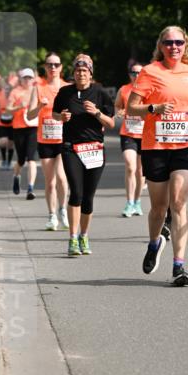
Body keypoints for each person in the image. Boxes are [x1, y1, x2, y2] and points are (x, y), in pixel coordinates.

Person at [127, 26, 188, 286]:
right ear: (161, 45)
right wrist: (154, 108)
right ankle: (154, 242)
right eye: (169, 42)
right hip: (156, 147)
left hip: (187, 144)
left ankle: (179, 267)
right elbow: (131, 108)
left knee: (178, 202)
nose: (174, 47)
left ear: (186, 45)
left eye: (179, 42)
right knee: (159, 208)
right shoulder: (149, 72)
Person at [52, 54, 115, 256]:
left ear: (90, 73)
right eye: (78, 70)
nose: (81, 73)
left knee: (88, 197)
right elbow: (54, 113)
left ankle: (84, 235)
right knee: (76, 193)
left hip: (94, 149)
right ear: (73, 72)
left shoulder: (100, 94)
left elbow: (111, 123)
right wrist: (60, 117)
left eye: (85, 70)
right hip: (71, 148)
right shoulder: (64, 92)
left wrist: (97, 113)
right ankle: (72, 238)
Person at [25, 53, 70, 231]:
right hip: (45, 139)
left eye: (56, 65)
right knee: (50, 181)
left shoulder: (67, 88)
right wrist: (39, 107)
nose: (53, 68)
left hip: (63, 138)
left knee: (61, 177)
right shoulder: (38, 88)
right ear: (45, 67)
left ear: (61, 67)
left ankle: (63, 210)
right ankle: (52, 216)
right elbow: (29, 115)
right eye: (49, 65)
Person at [115, 63, 146, 217]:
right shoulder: (124, 90)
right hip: (128, 133)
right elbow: (117, 106)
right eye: (133, 73)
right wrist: (119, 112)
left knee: (141, 171)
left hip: (145, 134)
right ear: (129, 74)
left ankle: (137, 201)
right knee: (130, 166)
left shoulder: (149, 90)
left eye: (139, 72)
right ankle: (129, 203)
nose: (136, 75)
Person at [7, 69, 38, 198]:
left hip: (33, 127)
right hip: (19, 128)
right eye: (25, 78)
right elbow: (8, 109)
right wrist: (19, 106)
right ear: (20, 79)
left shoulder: (36, 91)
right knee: (20, 159)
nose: (27, 80)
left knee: (31, 158)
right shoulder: (15, 92)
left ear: (33, 79)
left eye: (30, 78)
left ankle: (30, 188)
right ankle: (16, 176)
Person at [0, 78, 14, 169]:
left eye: (9, 89)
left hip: (13, 123)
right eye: (5, 89)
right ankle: (4, 160)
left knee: (10, 144)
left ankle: (9, 162)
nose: (7, 90)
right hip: (2, 122)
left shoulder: (14, 96)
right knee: (2, 142)